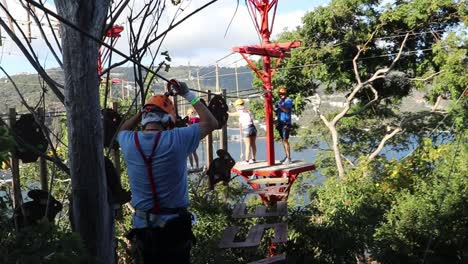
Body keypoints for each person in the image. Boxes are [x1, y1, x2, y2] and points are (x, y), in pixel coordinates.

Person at [117, 80, 218, 264]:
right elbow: (211, 123)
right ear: (168, 120)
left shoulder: (128, 141)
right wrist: (188, 94)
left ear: (145, 119)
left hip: (143, 228)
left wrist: (143, 111)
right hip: (175, 229)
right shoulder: (177, 138)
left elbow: (121, 130)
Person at [229, 98, 257, 164]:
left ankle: (247, 160)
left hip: (246, 129)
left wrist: (226, 111)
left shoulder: (239, 112)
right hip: (253, 128)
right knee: (253, 144)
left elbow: (230, 114)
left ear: (238, 106)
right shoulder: (248, 111)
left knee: (247, 145)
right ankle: (253, 159)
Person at [275, 86, 293, 164]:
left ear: (285, 93)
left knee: (285, 140)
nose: (281, 95)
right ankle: (287, 156)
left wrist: (280, 106)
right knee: (283, 140)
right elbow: (278, 112)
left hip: (286, 123)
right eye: (280, 94)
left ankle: (288, 158)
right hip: (280, 123)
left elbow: (286, 110)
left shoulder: (288, 101)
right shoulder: (280, 102)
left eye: (282, 94)